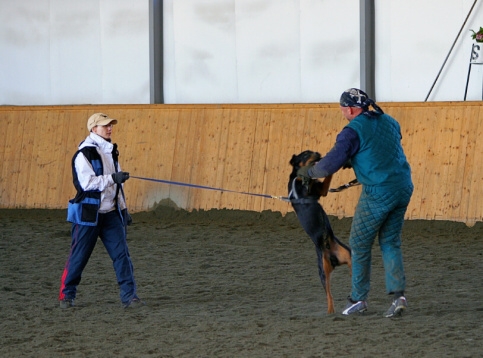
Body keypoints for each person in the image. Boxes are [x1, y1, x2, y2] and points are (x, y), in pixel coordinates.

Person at [297, 88, 413, 318]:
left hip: (379, 192)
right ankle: (398, 296)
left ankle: (358, 299)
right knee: (390, 241)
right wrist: (356, 159)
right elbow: (384, 146)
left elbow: (328, 165)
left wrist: (308, 172)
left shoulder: (351, 132)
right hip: (403, 186)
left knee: (359, 243)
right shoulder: (389, 120)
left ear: (349, 109)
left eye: (342, 108)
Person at [59, 113, 143, 309]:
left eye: (110, 125)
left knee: (122, 255)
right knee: (79, 256)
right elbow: (87, 184)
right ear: (93, 129)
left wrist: (123, 208)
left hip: (111, 213)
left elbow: (116, 187)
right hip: (88, 214)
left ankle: (130, 296)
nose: (109, 128)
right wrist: (113, 178)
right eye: (105, 125)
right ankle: (66, 294)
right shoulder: (83, 154)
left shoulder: (111, 151)